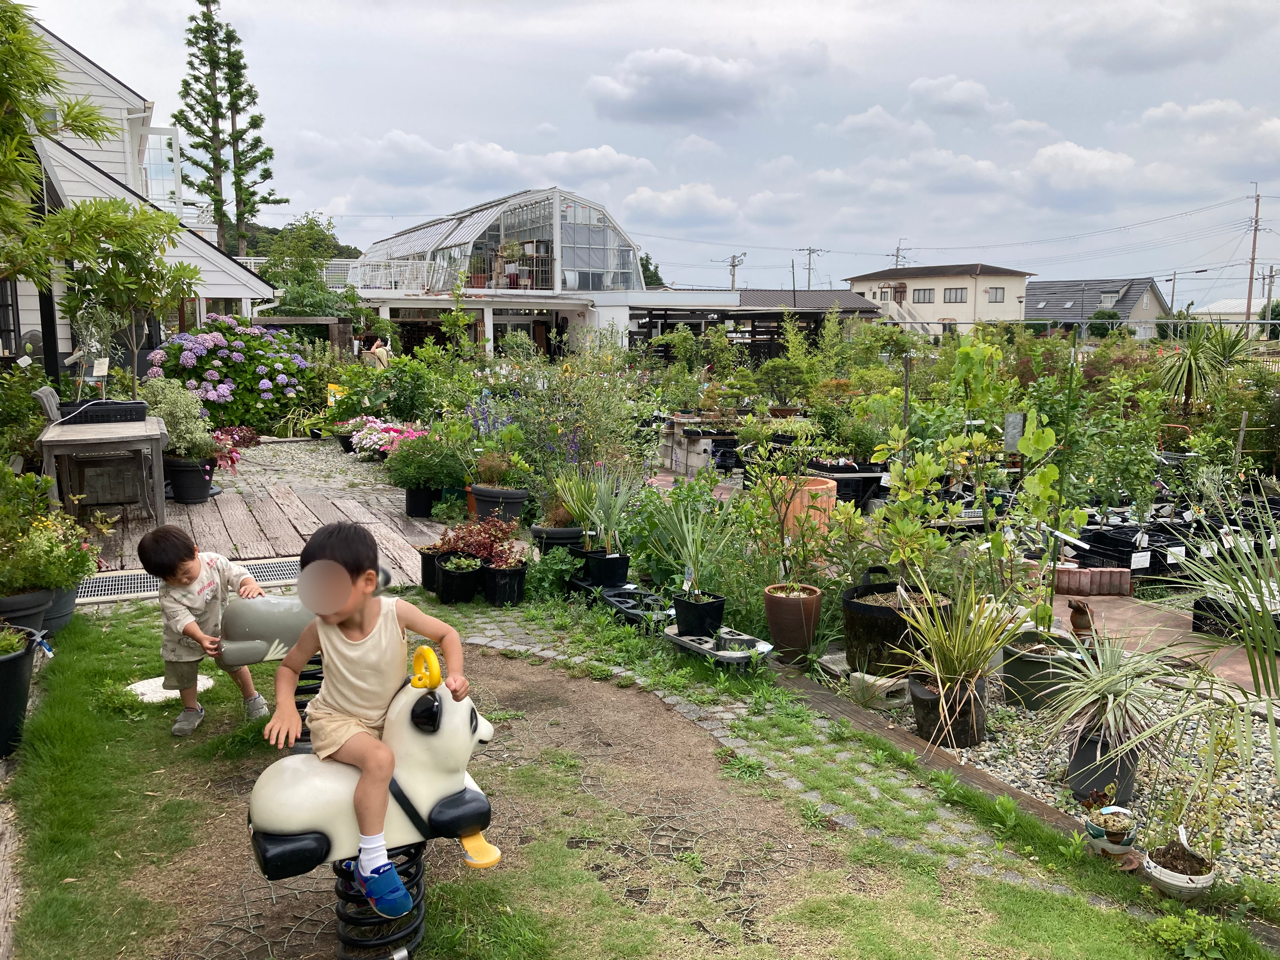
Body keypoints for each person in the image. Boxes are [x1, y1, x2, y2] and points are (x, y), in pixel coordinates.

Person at [263, 523, 467, 919]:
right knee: (378, 761)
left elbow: (447, 634)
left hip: (385, 718)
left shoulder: (396, 613)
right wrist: (285, 707)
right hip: (336, 720)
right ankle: (371, 862)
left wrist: (455, 673)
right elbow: (288, 668)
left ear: (367, 582)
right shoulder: (321, 628)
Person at [137, 525, 270, 736]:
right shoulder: (167, 593)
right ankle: (192, 709)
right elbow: (180, 618)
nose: (182, 581)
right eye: (171, 578)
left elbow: (238, 575)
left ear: (196, 551)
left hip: (220, 629)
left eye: (186, 572)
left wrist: (250, 584)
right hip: (183, 639)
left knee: (234, 662)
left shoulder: (214, 563)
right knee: (184, 673)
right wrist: (199, 637)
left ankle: (252, 697)